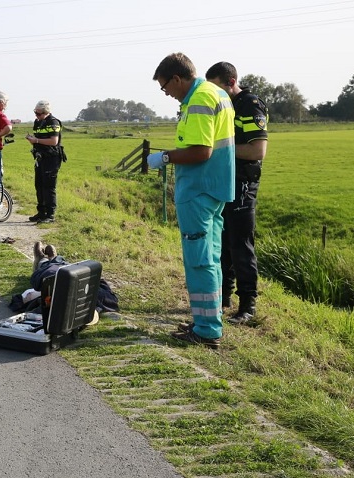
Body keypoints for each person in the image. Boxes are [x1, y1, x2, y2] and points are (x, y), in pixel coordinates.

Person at [147, 53, 235, 349]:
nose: (166, 93)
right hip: (214, 189)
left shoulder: (199, 99)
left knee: (199, 261)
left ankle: (208, 329)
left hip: (197, 190)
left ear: (177, 78)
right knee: (211, 258)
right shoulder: (216, 92)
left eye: (165, 87)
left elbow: (200, 151)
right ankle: (208, 320)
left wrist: (164, 157)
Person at [205, 62, 269, 325]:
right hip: (224, 182)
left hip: (243, 183)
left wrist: (217, 152)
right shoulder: (225, 106)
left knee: (241, 245)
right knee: (222, 244)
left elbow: (257, 151)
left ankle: (247, 306)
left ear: (230, 82)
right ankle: (223, 299)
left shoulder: (250, 105)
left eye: (216, 86)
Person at [25, 100, 62, 224]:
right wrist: (32, 140)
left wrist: (36, 141)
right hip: (40, 158)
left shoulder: (53, 122)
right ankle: (41, 213)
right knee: (39, 186)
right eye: (35, 113)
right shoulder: (38, 122)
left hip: (51, 159)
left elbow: (53, 141)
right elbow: (38, 139)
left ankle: (50, 215)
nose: (36, 115)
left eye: (39, 113)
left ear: (46, 112)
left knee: (49, 187)